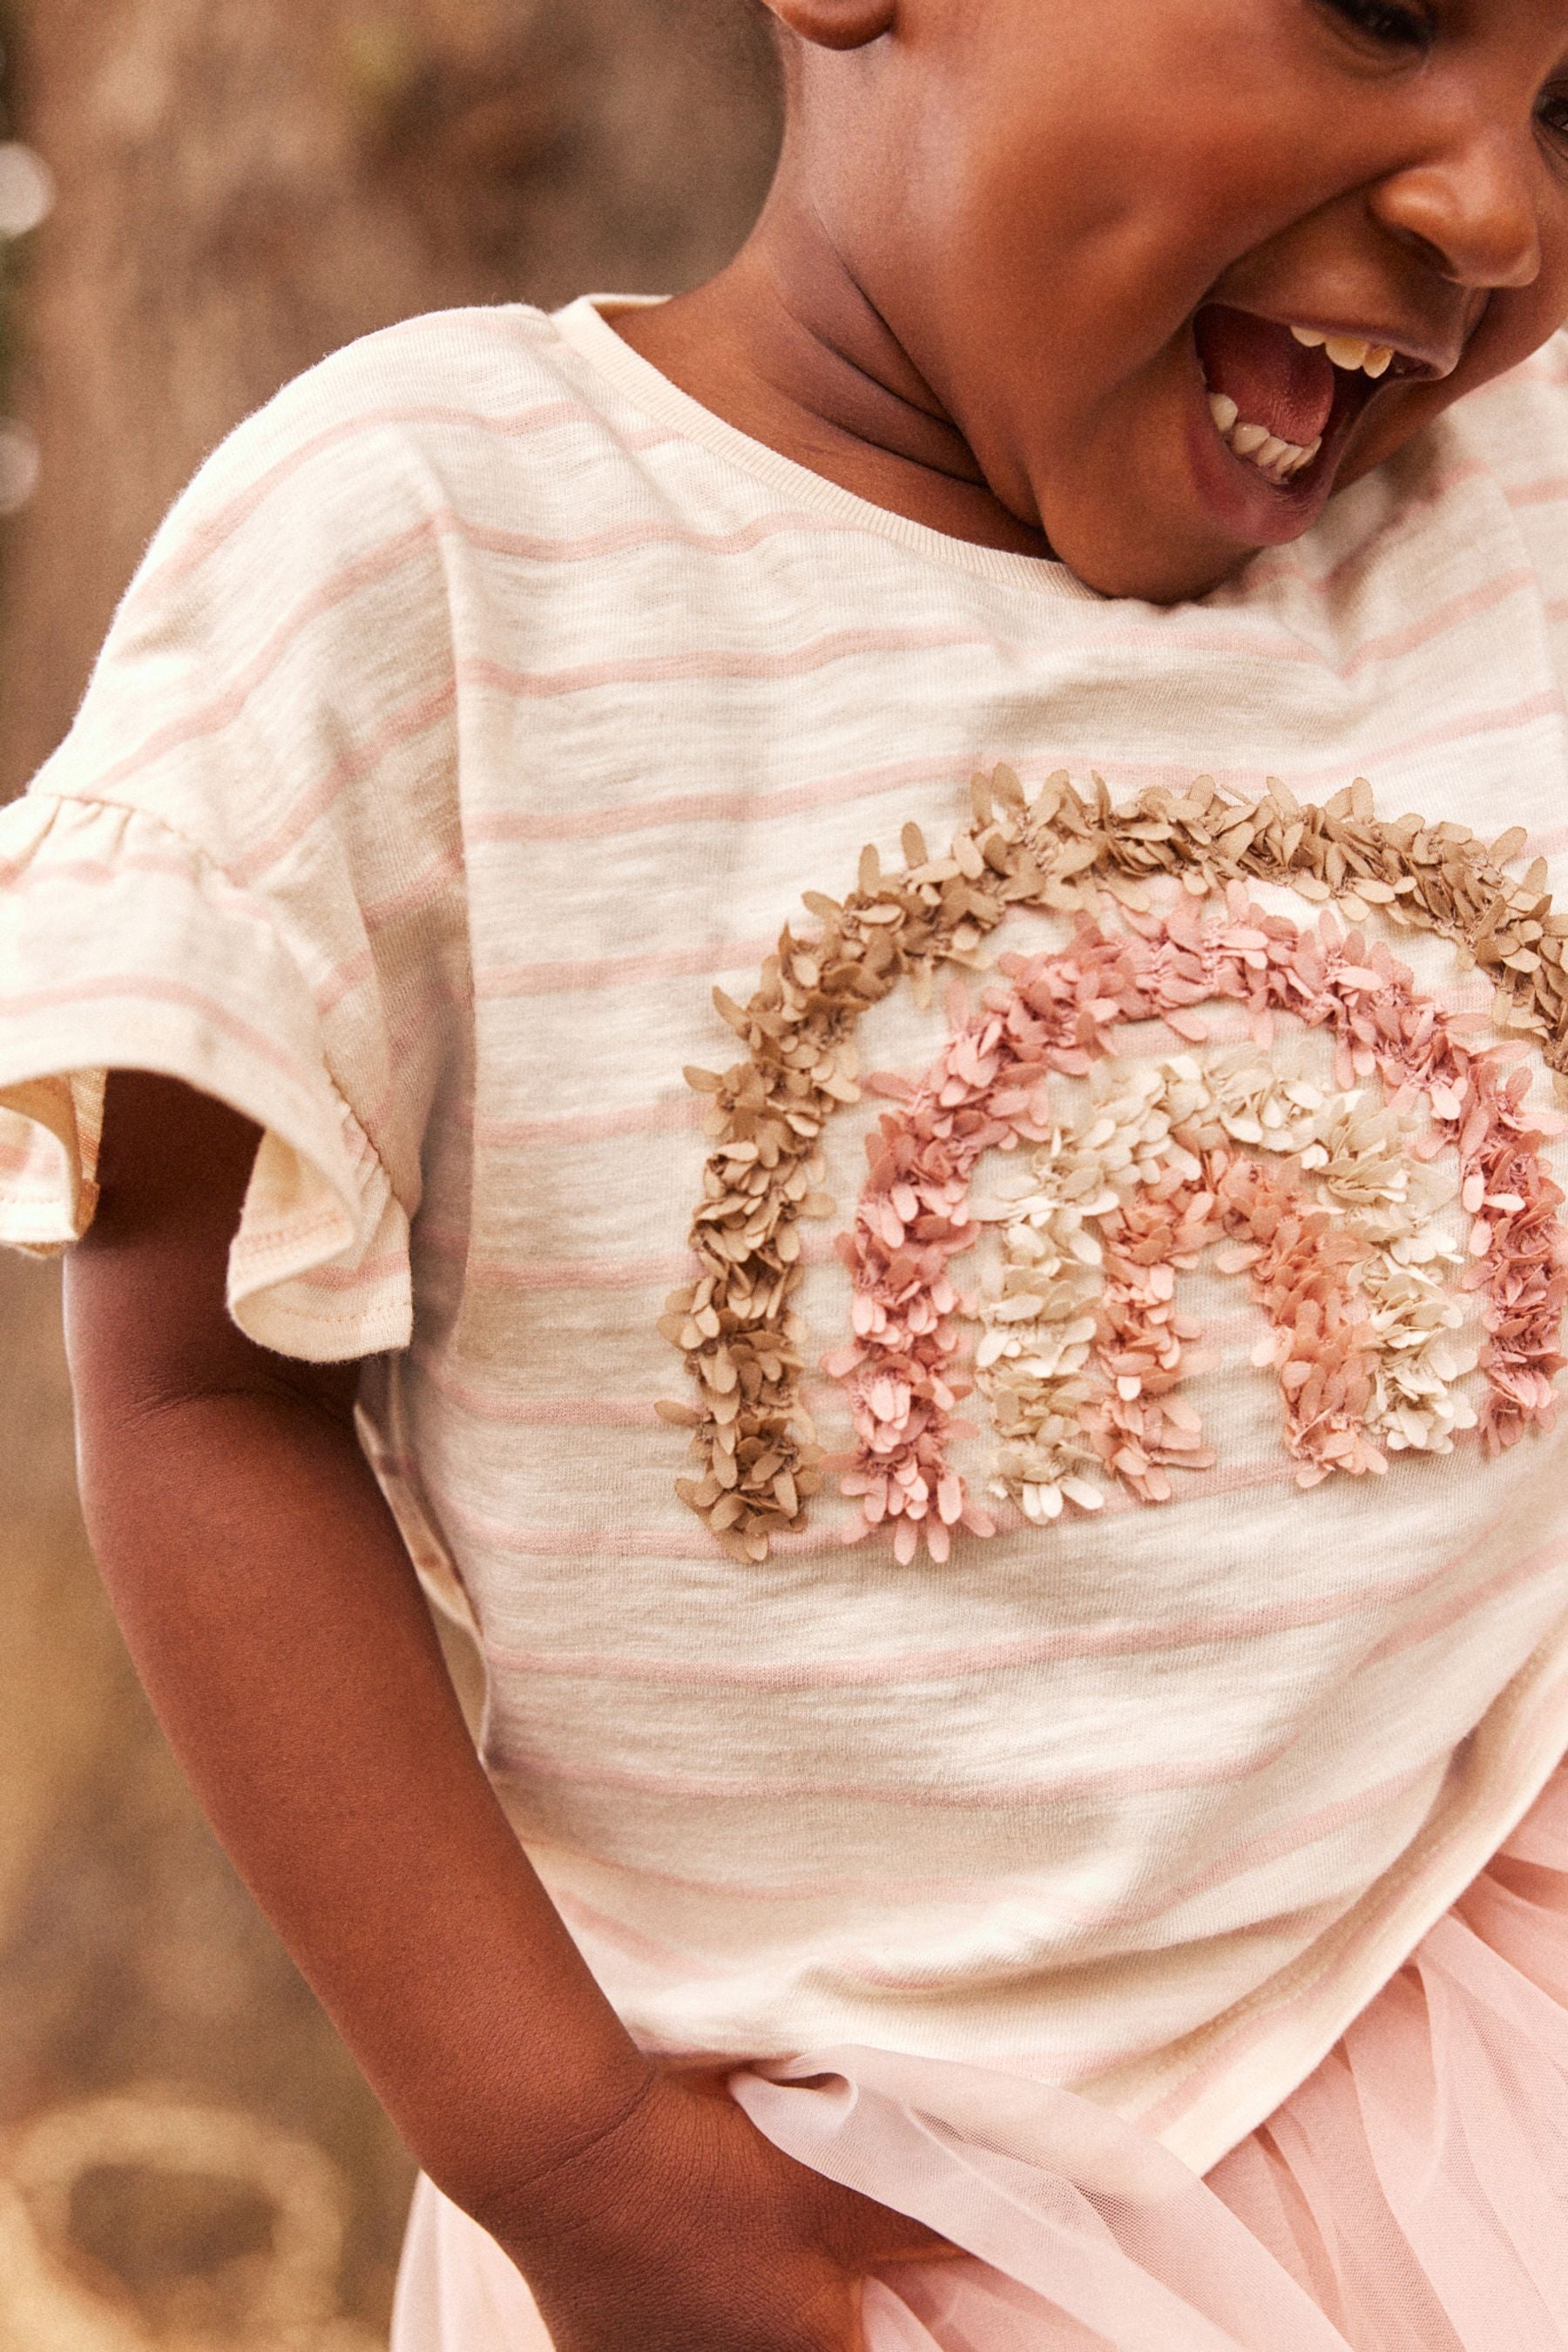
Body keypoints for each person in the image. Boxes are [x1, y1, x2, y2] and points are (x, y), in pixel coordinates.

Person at [6, 0, 1568, 2342]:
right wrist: (570, 2157)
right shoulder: (439, 545)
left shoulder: (1508, 519)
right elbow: (204, 1399)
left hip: (1477, 2012)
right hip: (832, 2209)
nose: (1498, 205)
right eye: (1379, 13)